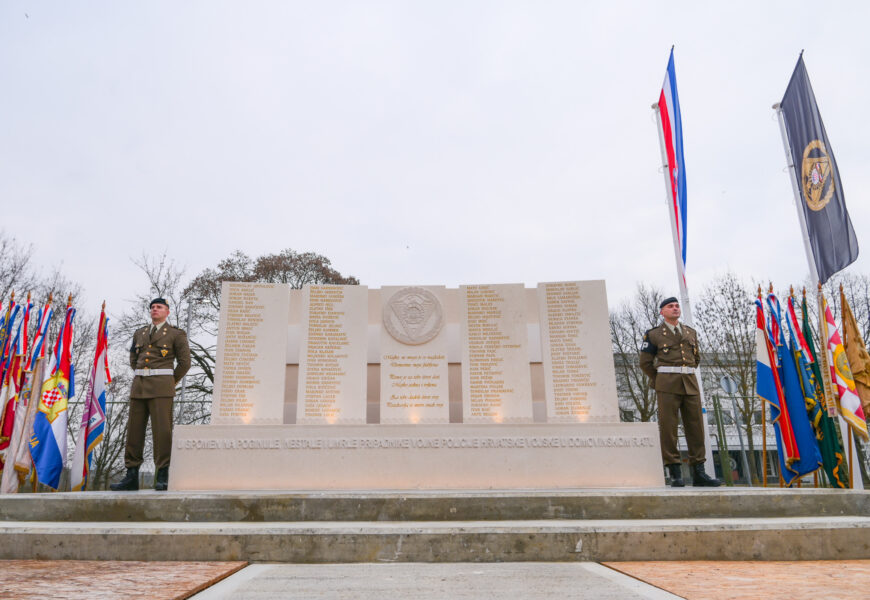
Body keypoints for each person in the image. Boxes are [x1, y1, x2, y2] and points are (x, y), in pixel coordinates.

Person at [639, 297, 721, 488]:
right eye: (670, 306)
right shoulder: (654, 334)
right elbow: (644, 363)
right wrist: (659, 380)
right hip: (667, 384)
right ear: (662, 311)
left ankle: (699, 472)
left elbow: (696, 358)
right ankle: (675, 472)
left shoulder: (690, 332)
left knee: (696, 427)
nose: (675, 308)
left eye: (677, 306)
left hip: (690, 383)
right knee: (669, 428)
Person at [111, 298, 190, 491]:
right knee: (133, 432)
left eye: (159, 307)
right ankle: (131, 475)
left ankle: (162, 475)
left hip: (162, 388)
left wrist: (170, 382)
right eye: (152, 307)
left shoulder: (175, 334)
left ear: (167, 312)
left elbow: (185, 362)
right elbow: (133, 358)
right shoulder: (140, 333)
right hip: (139, 387)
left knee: (162, 432)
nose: (155, 309)